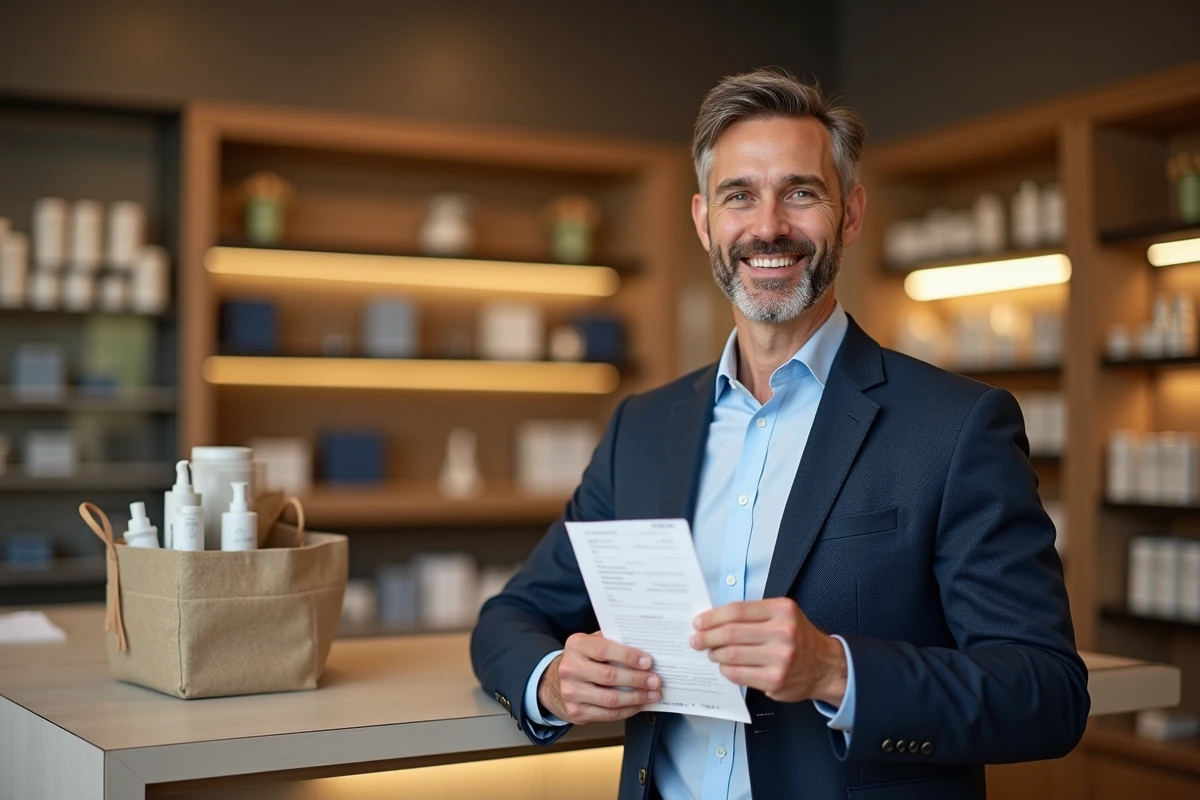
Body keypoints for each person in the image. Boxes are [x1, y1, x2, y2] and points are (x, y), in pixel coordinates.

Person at [470, 67, 1089, 800]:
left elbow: (1046, 693)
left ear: (851, 214)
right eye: (740, 196)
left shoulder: (957, 427)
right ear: (704, 221)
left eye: (801, 192)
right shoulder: (642, 427)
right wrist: (552, 682)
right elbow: (512, 616)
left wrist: (836, 670)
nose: (768, 227)